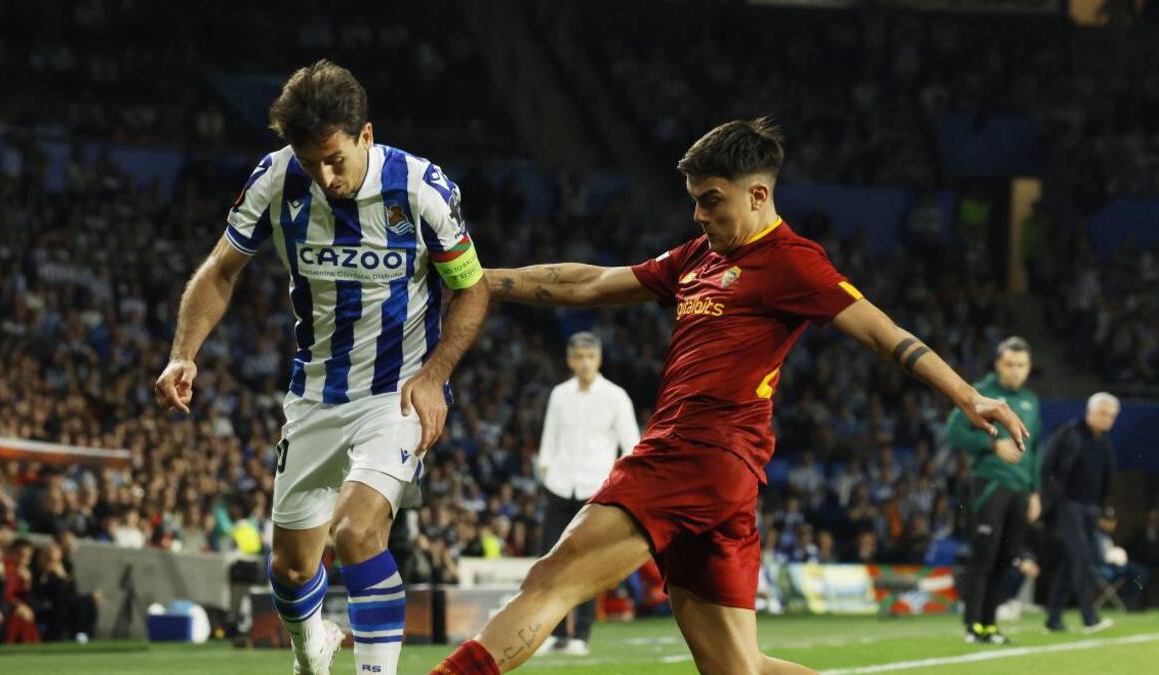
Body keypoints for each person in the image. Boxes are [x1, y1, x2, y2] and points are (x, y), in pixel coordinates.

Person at [431, 116, 1028, 675]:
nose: (697, 215)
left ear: (758, 196)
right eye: (694, 200)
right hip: (725, 476)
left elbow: (883, 333)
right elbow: (592, 283)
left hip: (694, 451)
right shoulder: (698, 257)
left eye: (710, 200)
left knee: (550, 581)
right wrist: (478, 280)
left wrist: (967, 395)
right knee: (735, 668)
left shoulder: (794, 263)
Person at [153, 59, 490, 675]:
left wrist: (436, 375)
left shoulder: (420, 188)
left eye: (334, 158)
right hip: (313, 394)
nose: (325, 176)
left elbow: (472, 288)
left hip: (397, 393)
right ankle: (313, 647)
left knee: (358, 533)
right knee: (289, 568)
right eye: (310, 162)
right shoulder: (276, 179)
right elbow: (220, 271)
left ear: (366, 135)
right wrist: (184, 354)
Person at [535, 331, 640, 656]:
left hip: (595, 488)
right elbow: (549, 438)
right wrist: (546, 469)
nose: (584, 363)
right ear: (569, 360)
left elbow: (631, 444)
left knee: (585, 565)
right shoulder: (560, 394)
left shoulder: (615, 396)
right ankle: (550, 634)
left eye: (589, 357)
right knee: (549, 561)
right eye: (578, 357)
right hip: (560, 485)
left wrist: (616, 484)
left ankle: (580, 635)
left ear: (599, 359)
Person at [944, 336, 1043, 645]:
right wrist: (991, 444)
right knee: (984, 555)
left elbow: (1034, 449)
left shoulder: (1031, 401)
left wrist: (1035, 491)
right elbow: (953, 432)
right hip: (991, 484)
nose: (1015, 371)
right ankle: (973, 626)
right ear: (998, 364)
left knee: (1006, 558)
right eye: (1010, 364)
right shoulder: (981, 393)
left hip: (1020, 489)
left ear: (1028, 368)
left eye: (1021, 365)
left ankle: (990, 625)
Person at [1040, 392, 1119, 634]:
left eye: (1111, 415)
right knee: (1086, 559)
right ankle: (1089, 618)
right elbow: (1047, 467)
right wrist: (1057, 500)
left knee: (1072, 562)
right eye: (1102, 413)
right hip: (1069, 506)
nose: (1107, 419)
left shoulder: (1104, 442)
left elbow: (1106, 479)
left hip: (1091, 509)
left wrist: (1105, 510)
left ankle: (1053, 620)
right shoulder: (1069, 433)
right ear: (1089, 412)